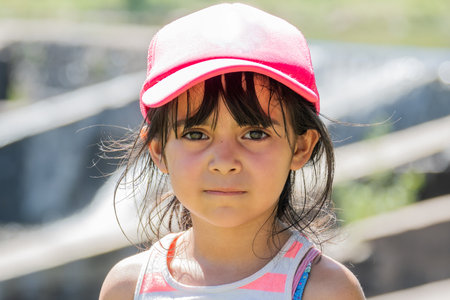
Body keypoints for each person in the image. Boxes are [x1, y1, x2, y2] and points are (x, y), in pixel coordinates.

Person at [99, 3, 365, 300]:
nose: (224, 162)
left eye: (254, 134)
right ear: (158, 150)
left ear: (301, 146)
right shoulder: (129, 288)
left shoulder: (323, 290)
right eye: (196, 134)